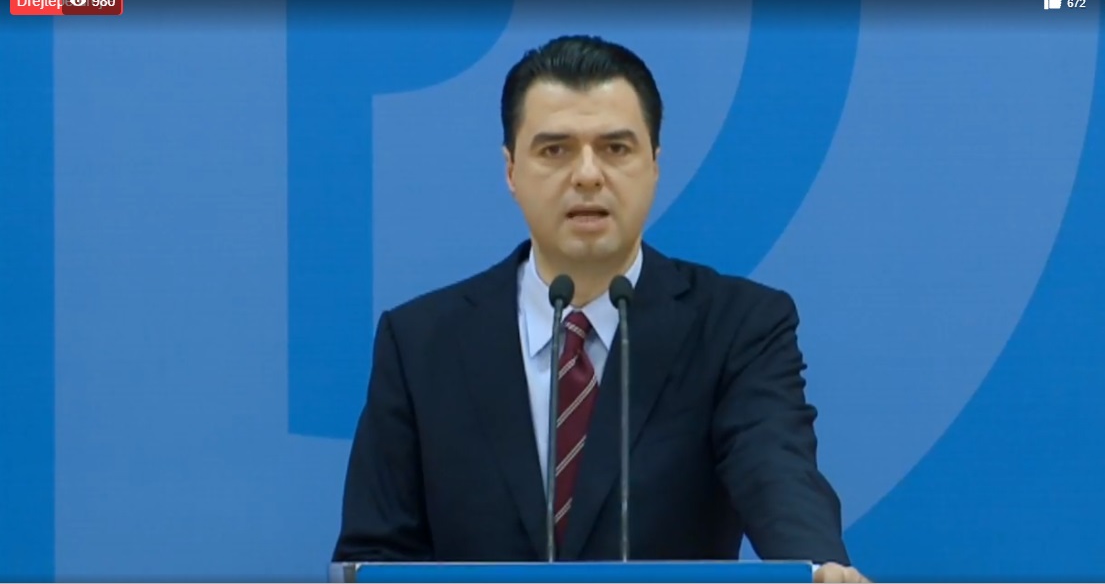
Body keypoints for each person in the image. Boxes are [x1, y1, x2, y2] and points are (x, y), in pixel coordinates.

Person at [332, 34, 870, 583]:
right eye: (555, 150)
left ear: (654, 164)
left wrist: (820, 567)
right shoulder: (422, 343)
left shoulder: (736, 326)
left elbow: (776, 472)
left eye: (615, 149)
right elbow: (377, 555)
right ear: (511, 170)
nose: (588, 175)